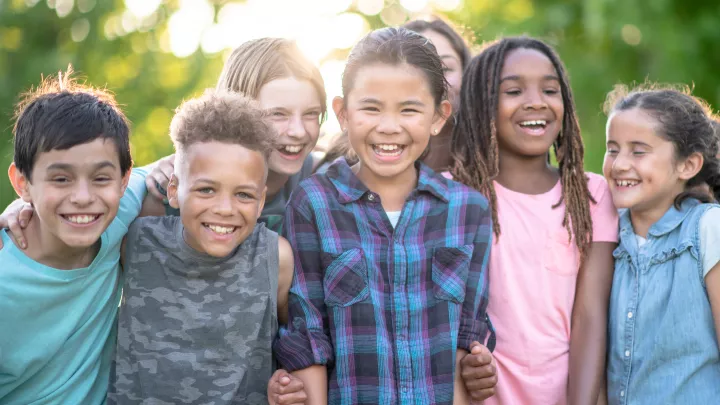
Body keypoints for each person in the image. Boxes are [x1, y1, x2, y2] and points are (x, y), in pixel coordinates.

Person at [273, 27, 495, 405]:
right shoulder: (314, 203)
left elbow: (466, 342)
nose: (389, 126)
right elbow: (307, 335)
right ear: (343, 114)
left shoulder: (468, 211)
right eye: (371, 108)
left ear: (439, 116)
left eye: (409, 109)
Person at [450, 37, 619, 405]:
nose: (535, 101)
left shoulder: (592, 195)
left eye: (550, 89)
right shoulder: (453, 198)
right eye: (513, 90)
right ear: (482, 105)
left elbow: (589, 317)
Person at [106, 90, 302, 404]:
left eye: (244, 195)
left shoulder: (274, 258)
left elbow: (298, 343)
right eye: (206, 189)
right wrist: (19, 209)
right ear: (174, 190)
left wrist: (288, 383)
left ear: (261, 200)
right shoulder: (137, 240)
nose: (225, 208)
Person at [0, 70, 151, 404]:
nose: (83, 196)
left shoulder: (120, 210)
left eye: (100, 178)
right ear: (22, 183)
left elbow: (191, 159)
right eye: (61, 179)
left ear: (123, 180)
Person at [603, 85, 720, 404]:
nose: (619, 164)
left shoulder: (708, 229)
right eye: (612, 149)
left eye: (638, 151)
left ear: (688, 165)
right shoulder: (606, 231)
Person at [147, 38, 327, 234]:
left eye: (311, 114)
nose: (298, 131)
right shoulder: (175, 185)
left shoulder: (324, 181)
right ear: (236, 109)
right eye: (278, 114)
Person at [315, 16, 473, 174]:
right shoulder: (331, 182)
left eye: (445, 68)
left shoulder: (478, 166)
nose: (434, 79)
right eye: (417, 65)